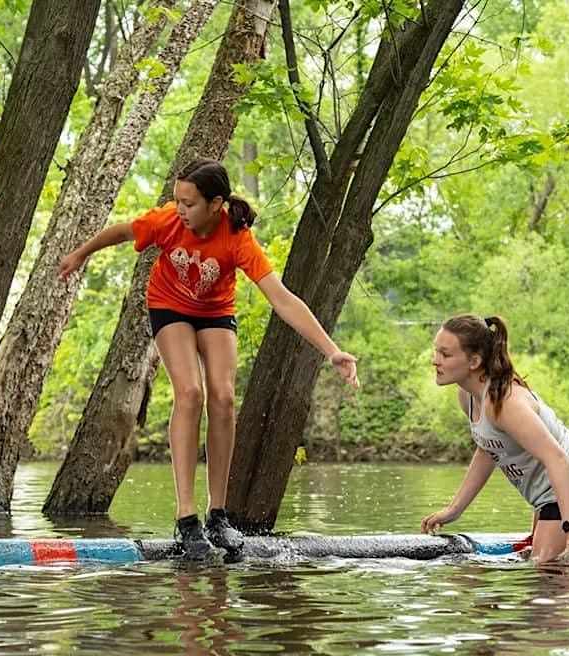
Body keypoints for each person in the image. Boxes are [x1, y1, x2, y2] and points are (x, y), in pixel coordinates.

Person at [58, 159, 359, 561]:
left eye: (189, 203)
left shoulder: (237, 238)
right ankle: (186, 517)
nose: (180, 209)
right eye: (177, 200)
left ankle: (218, 514)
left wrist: (332, 350)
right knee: (189, 392)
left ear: (216, 204)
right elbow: (121, 231)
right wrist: (80, 254)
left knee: (223, 397)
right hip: (169, 306)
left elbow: (282, 299)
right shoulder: (167, 221)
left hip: (215, 312)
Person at [422, 314, 569, 562]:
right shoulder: (467, 397)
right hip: (547, 495)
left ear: (474, 361)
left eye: (445, 354)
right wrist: (454, 510)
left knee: (548, 572)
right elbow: (488, 449)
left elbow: (557, 459)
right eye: (436, 352)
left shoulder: (506, 404)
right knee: (541, 568)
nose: (435, 361)